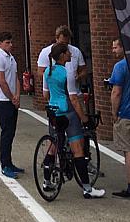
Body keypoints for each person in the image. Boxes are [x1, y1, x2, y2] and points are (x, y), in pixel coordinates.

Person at [44, 43, 104, 198]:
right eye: (68, 53)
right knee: (77, 149)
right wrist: (84, 119)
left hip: (53, 111)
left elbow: (46, 94)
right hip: (67, 112)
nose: (71, 55)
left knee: (53, 145)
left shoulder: (47, 72)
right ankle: (87, 188)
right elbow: (73, 99)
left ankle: (46, 180)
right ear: (63, 55)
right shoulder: (67, 73)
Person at [0, 32, 22, 179]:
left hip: (12, 99)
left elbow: (15, 77)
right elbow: (1, 81)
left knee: (11, 132)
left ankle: (10, 162)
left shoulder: (11, 58)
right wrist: (11, 98)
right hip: (2, 100)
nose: (10, 45)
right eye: (7, 42)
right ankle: (5, 165)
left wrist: (17, 96)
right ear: (0, 43)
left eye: (11, 42)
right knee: (6, 132)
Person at [37, 25, 86, 103]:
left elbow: (83, 70)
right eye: (62, 43)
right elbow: (41, 73)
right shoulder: (45, 52)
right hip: (56, 97)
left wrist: (78, 77)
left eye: (66, 43)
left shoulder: (76, 51)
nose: (64, 46)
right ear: (56, 39)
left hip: (75, 94)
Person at [109, 38, 130, 198]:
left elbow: (116, 92)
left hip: (126, 113)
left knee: (128, 151)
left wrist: (114, 113)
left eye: (116, 47)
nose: (113, 50)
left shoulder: (120, 67)